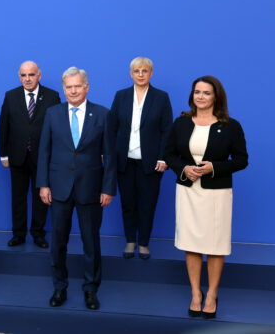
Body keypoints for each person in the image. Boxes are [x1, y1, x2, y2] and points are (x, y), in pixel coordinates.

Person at [164, 76, 247, 319]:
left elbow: (242, 160)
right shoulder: (181, 123)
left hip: (216, 194)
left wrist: (215, 168)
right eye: (197, 92)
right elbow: (169, 154)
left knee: (214, 244)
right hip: (188, 191)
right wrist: (184, 169)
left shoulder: (231, 126)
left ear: (216, 97)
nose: (200, 96)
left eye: (206, 93)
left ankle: (211, 294)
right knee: (191, 243)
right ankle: (195, 294)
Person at [36, 67, 116, 311]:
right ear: (64, 89)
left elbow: (111, 156)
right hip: (58, 188)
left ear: (86, 87)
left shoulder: (102, 114)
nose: (73, 91)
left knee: (91, 242)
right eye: (68, 87)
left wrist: (108, 188)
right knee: (58, 241)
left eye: (77, 86)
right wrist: (43, 184)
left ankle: (91, 289)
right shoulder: (52, 113)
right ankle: (59, 287)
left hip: (91, 189)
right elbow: (44, 152)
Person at [108, 57, 173, 260]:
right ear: (131, 73)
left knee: (148, 203)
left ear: (151, 73)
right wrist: (109, 155)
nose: (141, 74)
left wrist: (164, 158)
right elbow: (112, 128)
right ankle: (130, 241)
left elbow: (167, 130)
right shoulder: (121, 96)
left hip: (151, 162)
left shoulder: (161, 98)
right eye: (137, 71)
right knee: (128, 203)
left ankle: (143, 242)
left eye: (145, 71)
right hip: (124, 161)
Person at [0, 61, 60, 248]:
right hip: (17, 156)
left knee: (41, 197)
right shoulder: (11, 96)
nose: (27, 79)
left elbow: (57, 129)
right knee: (18, 197)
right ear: (19, 77)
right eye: (23, 75)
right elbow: (4, 126)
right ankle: (18, 234)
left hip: (42, 158)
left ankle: (38, 234)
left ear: (39, 76)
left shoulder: (52, 96)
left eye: (31, 75)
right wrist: (4, 155)